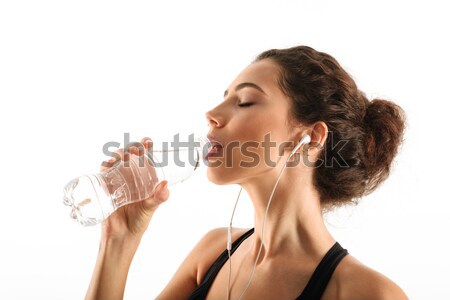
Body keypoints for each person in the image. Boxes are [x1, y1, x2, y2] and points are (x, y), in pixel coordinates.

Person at [85, 45, 408, 299]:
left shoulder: (368, 293)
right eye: (224, 99)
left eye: (246, 101)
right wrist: (119, 239)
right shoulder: (212, 254)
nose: (211, 114)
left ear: (310, 137)